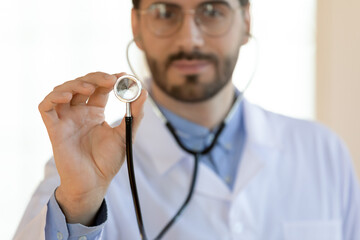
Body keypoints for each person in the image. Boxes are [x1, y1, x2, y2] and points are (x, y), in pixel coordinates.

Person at [14, 0, 360, 239]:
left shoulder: (322, 152)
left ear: (246, 21)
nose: (189, 38)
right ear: (137, 25)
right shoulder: (85, 165)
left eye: (212, 10)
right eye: (165, 12)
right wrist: (79, 204)